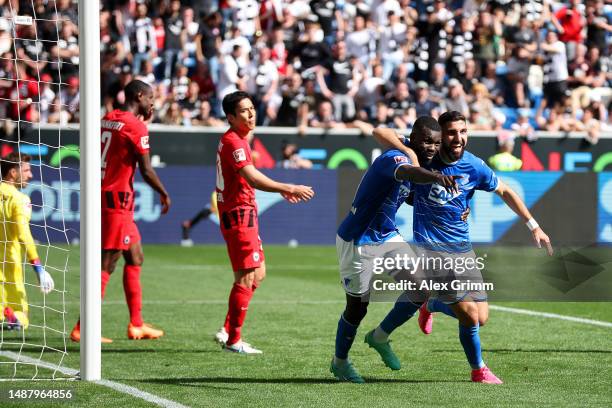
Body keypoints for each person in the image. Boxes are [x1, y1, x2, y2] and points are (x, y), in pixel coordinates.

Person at [372, 111, 553, 384]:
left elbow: (504, 191)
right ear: (439, 136)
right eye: (452, 132)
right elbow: (379, 132)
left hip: (462, 250)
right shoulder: (424, 154)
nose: (459, 138)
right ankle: (478, 370)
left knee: (481, 318)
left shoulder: (473, 166)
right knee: (468, 315)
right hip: (429, 249)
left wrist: (534, 226)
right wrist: (409, 154)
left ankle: (430, 305)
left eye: (463, 132)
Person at [331, 117, 461, 383]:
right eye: (426, 141)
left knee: (421, 288)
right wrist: (436, 176)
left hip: (388, 235)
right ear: (412, 138)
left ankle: (379, 337)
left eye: (436, 143)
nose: (432, 148)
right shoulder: (395, 157)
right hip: (359, 239)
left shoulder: (418, 160)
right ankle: (340, 363)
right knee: (357, 308)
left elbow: (411, 194)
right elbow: (408, 173)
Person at [70, 80, 171, 343]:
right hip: (117, 202)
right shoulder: (135, 126)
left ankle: (136, 324)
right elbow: (147, 170)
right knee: (107, 264)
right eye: (150, 98)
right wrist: (163, 192)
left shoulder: (107, 119)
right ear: (139, 96)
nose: (152, 103)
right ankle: (83, 328)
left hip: (104, 196)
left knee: (135, 257)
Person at [213, 91, 314, 354]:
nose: (251, 114)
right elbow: (252, 178)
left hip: (241, 213)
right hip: (239, 215)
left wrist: (280, 189)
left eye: (252, 109)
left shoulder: (238, 139)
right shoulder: (234, 142)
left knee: (257, 273)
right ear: (231, 117)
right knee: (247, 277)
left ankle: (227, 330)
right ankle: (234, 339)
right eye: (244, 111)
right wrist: (288, 186)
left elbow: (252, 178)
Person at [0, 153, 54, 330]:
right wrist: (39, 269)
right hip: (8, 266)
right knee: (22, 316)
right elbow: (23, 235)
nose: (30, 175)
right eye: (27, 170)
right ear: (13, 173)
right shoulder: (20, 199)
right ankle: (9, 317)